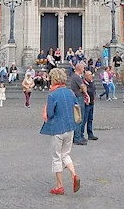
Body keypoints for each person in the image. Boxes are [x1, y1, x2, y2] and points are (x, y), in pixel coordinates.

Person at [40, 68, 81, 196]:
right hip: (70, 128)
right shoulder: (70, 92)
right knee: (66, 154)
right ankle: (74, 174)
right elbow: (75, 106)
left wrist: (46, 111)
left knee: (56, 157)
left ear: (54, 79)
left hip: (57, 129)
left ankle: (60, 186)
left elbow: (51, 113)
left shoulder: (52, 95)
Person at [69, 62, 88, 145]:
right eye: (83, 68)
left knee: (79, 117)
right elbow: (83, 87)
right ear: (80, 69)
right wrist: (84, 90)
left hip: (77, 96)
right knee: (79, 117)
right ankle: (77, 138)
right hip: (78, 97)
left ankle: (79, 136)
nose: (84, 70)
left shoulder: (75, 77)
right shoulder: (77, 77)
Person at [83, 70, 98, 141]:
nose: (91, 76)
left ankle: (90, 134)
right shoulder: (84, 83)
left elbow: (94, 90)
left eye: (91, 75)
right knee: (84, 119)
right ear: (86, 76)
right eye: (89, 75)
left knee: (90, 119)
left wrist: (94, 97)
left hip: (92, 103)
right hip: (86, 104)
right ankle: (81, 134)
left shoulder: (92, 82)